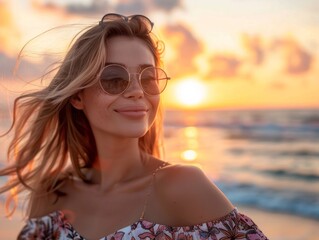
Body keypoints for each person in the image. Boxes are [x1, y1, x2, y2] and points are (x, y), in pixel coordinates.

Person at [0, 13, 268, 239]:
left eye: (148, 78)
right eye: (114, 78)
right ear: (78, 96)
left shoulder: (183, 186)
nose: (137, 91)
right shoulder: (51, 194)